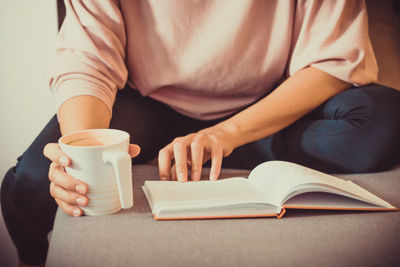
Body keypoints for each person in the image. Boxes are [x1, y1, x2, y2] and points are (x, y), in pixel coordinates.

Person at [2, 0, 400, 266]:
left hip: (267, 106)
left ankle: (215, 149)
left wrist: (226, 134)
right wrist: (82, 155)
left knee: (383, 121)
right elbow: (88, 59)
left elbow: (332, 57)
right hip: (149, 107)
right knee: (34, 180)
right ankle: (193, 149)